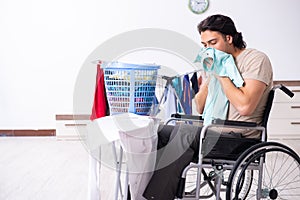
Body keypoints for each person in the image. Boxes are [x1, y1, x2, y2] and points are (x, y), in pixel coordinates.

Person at [143, 14, 273, 200]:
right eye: (205, 45)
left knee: (184, 133)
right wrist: (209, 77)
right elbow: (201, 107)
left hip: (240, 138)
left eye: (213, 43)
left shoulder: (255, 59)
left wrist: (222, 75)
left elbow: (245, 107)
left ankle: (157, 197)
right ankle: (163, 191)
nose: (209, 49)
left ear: (229, 38)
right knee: (157, 132)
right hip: (213, 131)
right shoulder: (216, 62)